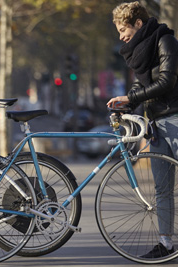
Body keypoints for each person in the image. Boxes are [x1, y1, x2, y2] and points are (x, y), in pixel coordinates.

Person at [108, 1, 178, 258]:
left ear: (138, 24)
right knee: (162, 188)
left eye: (123, 29)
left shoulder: (165, 41)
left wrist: (130, 99)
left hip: (176, 118)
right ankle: (166, 243)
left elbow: (166, 81)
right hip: (156, 124)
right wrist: (126, 100)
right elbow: (143, 87)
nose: (121, 36)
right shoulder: (140, 52)